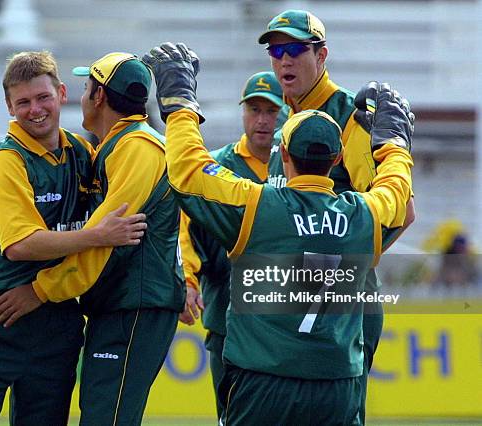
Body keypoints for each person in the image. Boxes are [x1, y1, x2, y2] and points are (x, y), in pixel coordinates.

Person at [143, 42, 413, 425]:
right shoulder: (363, 216)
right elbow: (396, 193)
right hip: (336, 380)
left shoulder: (257, 206)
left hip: (263, 378)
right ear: (336, 159)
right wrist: (393, 144)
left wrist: (180, 100)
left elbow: (188, 169)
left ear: (282, 153)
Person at [0, 50, 147, 426]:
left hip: (57, 321)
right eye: (23, 102)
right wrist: (96, 236)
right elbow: (21, 245)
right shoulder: (7, 160)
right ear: (9, 106)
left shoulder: (84, 153)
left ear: (62, 94)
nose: (35, 109)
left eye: (43, 98)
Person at [0, 52, 186, 426]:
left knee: (106, 419)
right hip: (120, 302)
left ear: (99, 97)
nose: (81, 96)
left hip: (135, 305)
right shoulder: (114, 146)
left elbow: (105, 241)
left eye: (86, 87)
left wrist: (39, 290)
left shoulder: (137, 148)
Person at [258, 10, 415, 421]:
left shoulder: (349, 116)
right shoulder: (286, 124)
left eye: (295, 49)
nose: (284, 60)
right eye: (277, 50)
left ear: (322, 54)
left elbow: (400, 211)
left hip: (341, 307)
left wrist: (339, 273)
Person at [178, 70, 286, 418]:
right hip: (229, 315)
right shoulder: (219, 166)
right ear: (243, 113)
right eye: (254, 110)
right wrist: (188, 281)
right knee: (233, 416)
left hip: (285, 321)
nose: (262, 120)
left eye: (271, 111)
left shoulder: (298, 164)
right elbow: (185, 227)